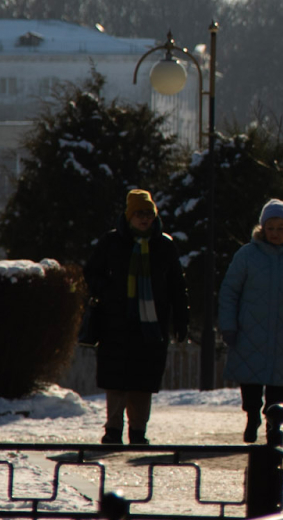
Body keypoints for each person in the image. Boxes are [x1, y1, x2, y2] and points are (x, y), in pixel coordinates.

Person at [83, 189, 189, 445]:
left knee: (143, 381)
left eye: (149, 214)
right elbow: (91, 272)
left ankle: (138, 431)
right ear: (129, 216)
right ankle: (113, 430)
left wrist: (181, 320)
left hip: (151, 325)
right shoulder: (111, 242)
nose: (145, 220)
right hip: (116, 321)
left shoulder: (164, 245)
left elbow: (176, 285)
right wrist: (109, 292)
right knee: (116, 381)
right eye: (139, 214)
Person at [219, 198, 283, 443]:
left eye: (281, 228)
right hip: (249, 330)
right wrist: (229, 325)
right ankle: (252, 417)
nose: (276, 233)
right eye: (271, 228)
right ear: (262, 229)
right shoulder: (247, 255)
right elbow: (230, 291)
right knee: (250, 381)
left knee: (279, 382)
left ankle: (274, 424)